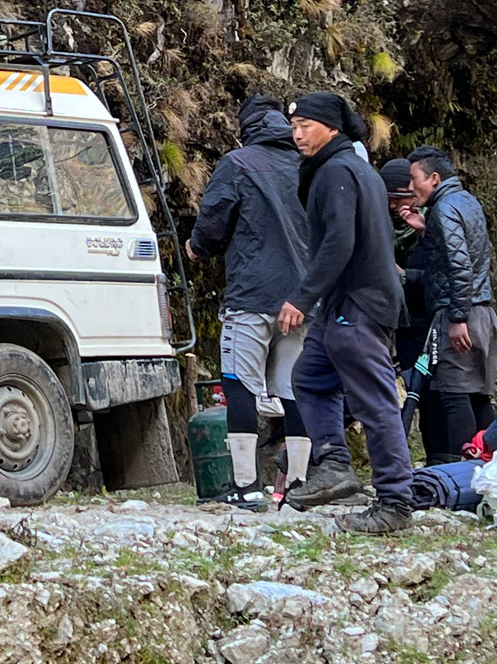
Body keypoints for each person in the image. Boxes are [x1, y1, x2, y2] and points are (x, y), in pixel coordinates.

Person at [278, 93, 414, 534]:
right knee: (311, 378)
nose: (297, 134)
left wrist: (301, 296)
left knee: (375, 402)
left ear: (332, 128)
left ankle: (395, 502)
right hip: (344, 303)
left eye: (307, 126)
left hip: (358, 303)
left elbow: (340, 242)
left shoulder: (337, 170)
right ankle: (335, 466)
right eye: (294, 126)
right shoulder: (353, 168)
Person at [185, 95, 310, 511]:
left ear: (247, 127)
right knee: (293, 389)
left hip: (252, 295)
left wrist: (196, 247)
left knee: (239, 383)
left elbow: (214, 220)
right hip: (301, 298)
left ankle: (246, 486)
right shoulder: (306, 165)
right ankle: (297, 486)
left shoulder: (238, 163)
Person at [406, 146, 497, 462]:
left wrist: (458, 316)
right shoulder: (467, 202)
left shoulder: (444, 209)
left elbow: (460, 265)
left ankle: (466, 473)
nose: (409, 187)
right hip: (483, 311)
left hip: (460, 312)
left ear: (433, 178)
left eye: (413, 178)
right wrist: (425, 231)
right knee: (478, 396)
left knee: (453, 393)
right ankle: (494, 465)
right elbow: (470, 257)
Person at [381, 158, 442, 458]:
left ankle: (441, 460)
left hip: (429, 321)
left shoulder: (433, 223)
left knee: (433, 393)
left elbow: (442, 271)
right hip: (402, 324)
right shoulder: (379, 225)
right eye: (390, 200)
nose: (396, 207)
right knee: (415, 387)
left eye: (402, 198)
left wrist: (403, 275)